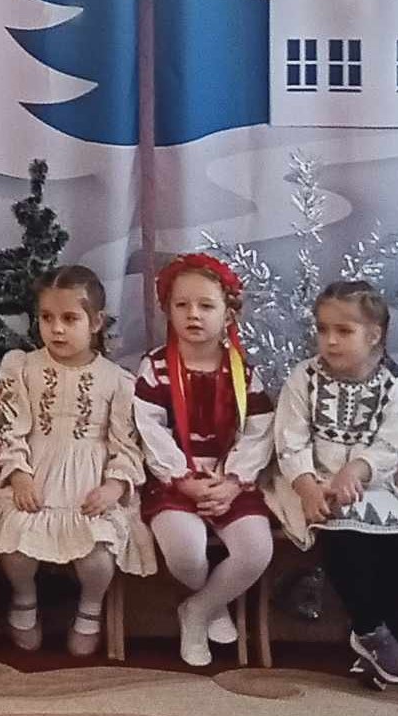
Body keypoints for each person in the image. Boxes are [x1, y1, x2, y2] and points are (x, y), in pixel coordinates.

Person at [266, 281, 398, 689]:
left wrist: (358, 469)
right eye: (323, 329)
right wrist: (308, 487)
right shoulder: (304, 378)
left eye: (343, 331)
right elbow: (290, 439)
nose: (330, 340)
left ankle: (384, 638)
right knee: (344, 535)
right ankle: (370, 631)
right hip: (308, 482)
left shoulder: (391, 388)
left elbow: (392, 444)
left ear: (374, 335)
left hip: (370, 487)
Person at [0, 266, 156, 655]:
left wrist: (114, 486)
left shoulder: (117, 380)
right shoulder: (23, 368)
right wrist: (18, 475)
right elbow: (6, 427)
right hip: (34, 473)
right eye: (47, 318)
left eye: (69, 319)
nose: (56, 329)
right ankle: (24, 599)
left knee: (97, 557)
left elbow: (127, 443)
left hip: (88, 483)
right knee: (17, 549)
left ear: (95, 323)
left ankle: (90, 610)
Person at [133, 253, 275, 667]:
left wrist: (232, 481)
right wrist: (182, 478)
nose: (193, 314)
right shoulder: (155, 367)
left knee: (256, 550)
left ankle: (196, 610)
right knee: (186, 552)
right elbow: (149, 429)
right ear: (168, 310)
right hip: (175, 482)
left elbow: (259, 432)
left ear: (228, 313)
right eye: (182, 305)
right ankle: (215, 602)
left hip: (230, 481)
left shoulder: (244, 373)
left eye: (206, 305)